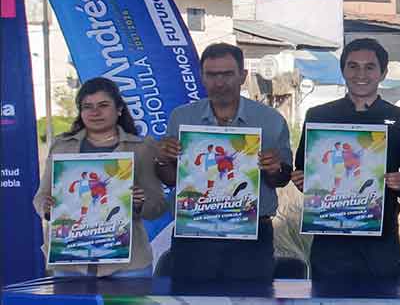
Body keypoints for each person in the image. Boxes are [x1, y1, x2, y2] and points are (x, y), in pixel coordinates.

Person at [155, 43, 292, 282]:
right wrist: (162, 159)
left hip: (251, 236)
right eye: (212, 75)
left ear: (243, 75)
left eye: (228, 74)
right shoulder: (181, 117)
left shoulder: (270, 120)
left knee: (249, 300)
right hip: (195, 233)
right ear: (202, 77)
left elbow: (281, 179)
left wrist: (275, 168)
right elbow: (169, 177)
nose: (220, 82)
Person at [291, 38, 400, 281]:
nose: (360, 74)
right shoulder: (319, 116)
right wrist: (300, 179)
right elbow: (303, 170)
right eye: (353, 66)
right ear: (343, 70)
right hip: (329, 238)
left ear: (383, 73)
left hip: (380, 241)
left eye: (369, 67)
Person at [34, 77, 167, 277]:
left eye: (103, 105)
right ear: (80, 111)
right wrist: (46, 207)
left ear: (119, 109)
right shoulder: (62, 146)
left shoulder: (142, 148)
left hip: (127, 265)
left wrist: (139, 203)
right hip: (70, 262)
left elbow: (157, 206)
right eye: (87, 106)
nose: (95, 112)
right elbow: (40, 196)